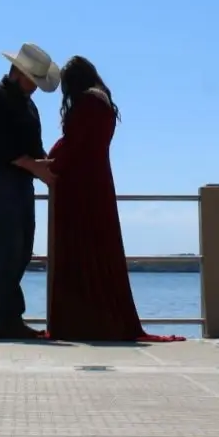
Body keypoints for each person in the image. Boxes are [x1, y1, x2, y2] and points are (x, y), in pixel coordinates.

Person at [46, 56, 186, 344]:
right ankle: (99, 319)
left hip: (80, 185)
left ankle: (80, 322)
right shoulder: (104, 102)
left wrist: (48, 160)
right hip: (99, 182)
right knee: (101, 249)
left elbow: (73, 146)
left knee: (79, 249)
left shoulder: (87, 104)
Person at [0, 43, 59, 340]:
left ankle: (8, 318)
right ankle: (0, 320)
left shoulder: (28, 105)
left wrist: (49, 165)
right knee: (6, 248)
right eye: (32, 80)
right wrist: (34, 166)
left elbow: (34, 148)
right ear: (19, 72)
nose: (35, 88)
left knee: (21, 250)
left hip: (21, 183)